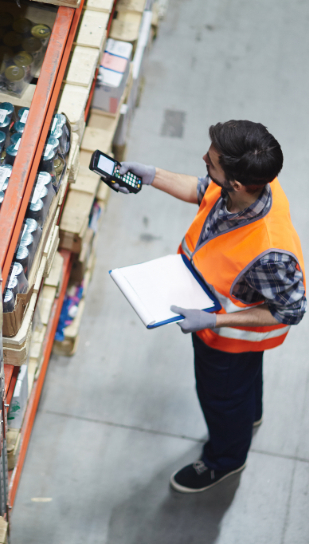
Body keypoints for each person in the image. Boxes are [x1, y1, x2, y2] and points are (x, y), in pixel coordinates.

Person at [114, 120, 306, 493]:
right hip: (227, 336)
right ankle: (250, 415)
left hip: (228, 342)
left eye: (212, 160)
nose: (204, 159)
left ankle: (226, 460)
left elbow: (291, 310)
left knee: (222, 400)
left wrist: (214, 320)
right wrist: (153, 176)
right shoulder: (253, 184)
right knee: (244, 392)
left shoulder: (270, 253)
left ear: (235, 183)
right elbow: (204, 190)